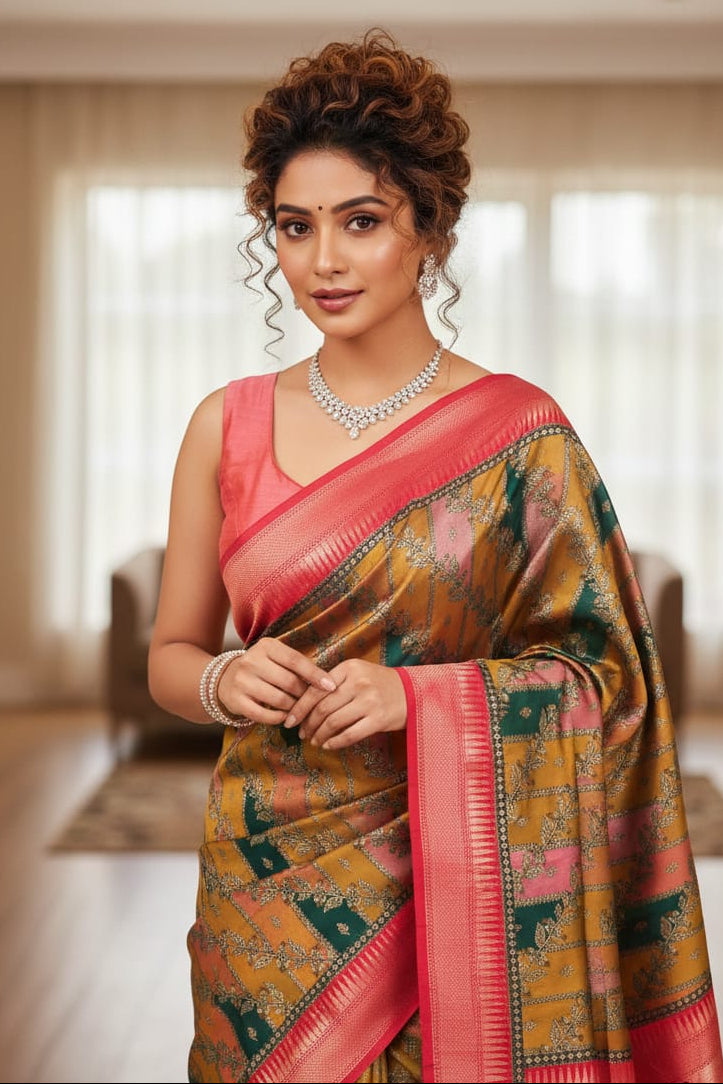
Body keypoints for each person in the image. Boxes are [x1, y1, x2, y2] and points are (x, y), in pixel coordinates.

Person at [148, 29, 723, 1084]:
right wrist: (227, 677)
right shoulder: (221, 428)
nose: (323, 261)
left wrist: (419, 700)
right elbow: (173, 656)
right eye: (294, 226)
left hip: (454, 886)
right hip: (263, 893)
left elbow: (612, 682)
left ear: (431, 233)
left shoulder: (520, 438)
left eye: (361, 222)